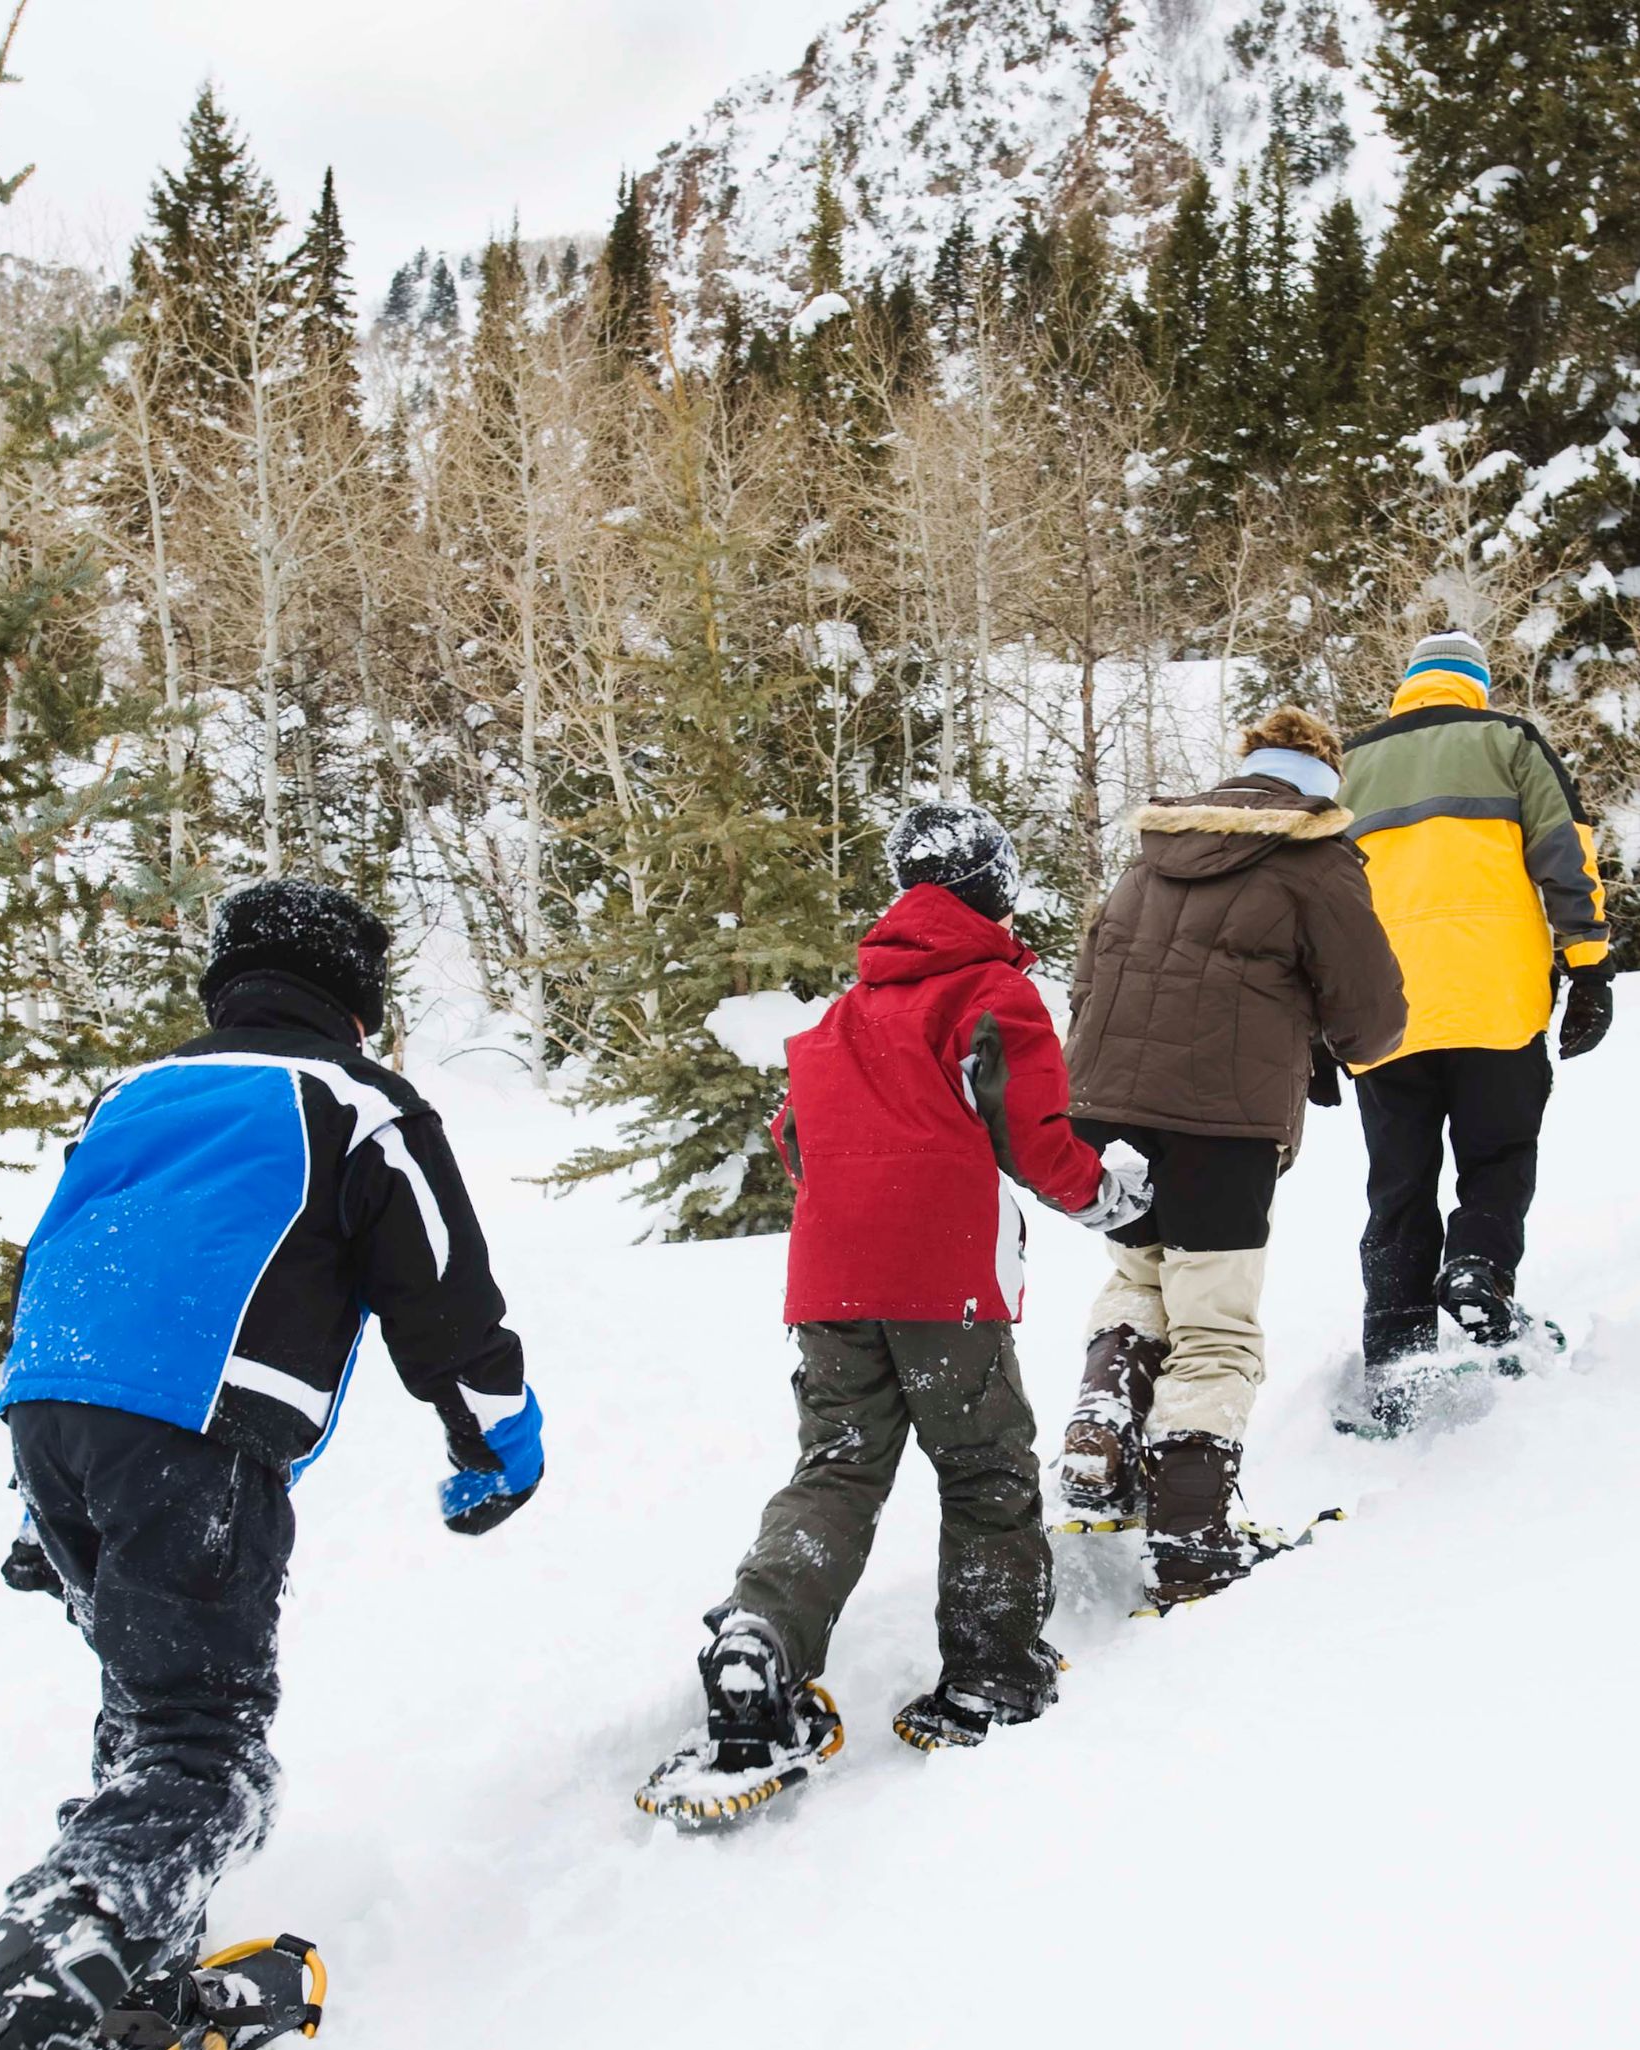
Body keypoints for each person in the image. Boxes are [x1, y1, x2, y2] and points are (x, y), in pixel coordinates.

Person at [0, 882, 543, 2050]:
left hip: (54, 1408)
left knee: (149, 1714)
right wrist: (494, 1436)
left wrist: (45, 1501)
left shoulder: (140, 1093)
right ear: (357, 999)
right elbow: (440, 1289)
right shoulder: (356, 1101)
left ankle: (124, 1980)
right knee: (207, 1756)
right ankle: (28, 2004)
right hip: (192, 1426)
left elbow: (73, 1254)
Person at [645, 803, 1150, 1803]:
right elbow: (1035, 1138)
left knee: (836, 1468)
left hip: (830, 1279)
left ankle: (760, 1640)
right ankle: (993, 1674)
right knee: (984, 1468)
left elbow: (793, 1137)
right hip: (941, 1278)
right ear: (995, 888)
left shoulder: (848, 1009)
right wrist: (1112, 1196)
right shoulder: (990, 991)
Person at [1059, 708, 1406, 1606]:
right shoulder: (1316, 858)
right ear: (1323, 783)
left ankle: (1101, 1426)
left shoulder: (1155, 848)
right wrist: (1330, 1042)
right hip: (1220, 1125)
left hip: (1105, 1110)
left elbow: (1088, 978)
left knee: (1140, 1274)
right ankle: (1190, 1539)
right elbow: (1372, 1018)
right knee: (1214, 1321)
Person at [1339, 632, 1613, 1424]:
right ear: (1475, 685)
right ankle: (1477, 1269)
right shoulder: (1509, 741)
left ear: (1410, 685)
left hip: (1385, 1015)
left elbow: (1313, 895)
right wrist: (1589, 965)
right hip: (1497, 1001)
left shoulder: (1349, 767)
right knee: (1497, 1155)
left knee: (1398, 1182)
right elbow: (1566, 853)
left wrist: (1317, 1016)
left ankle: (1395, 1363)